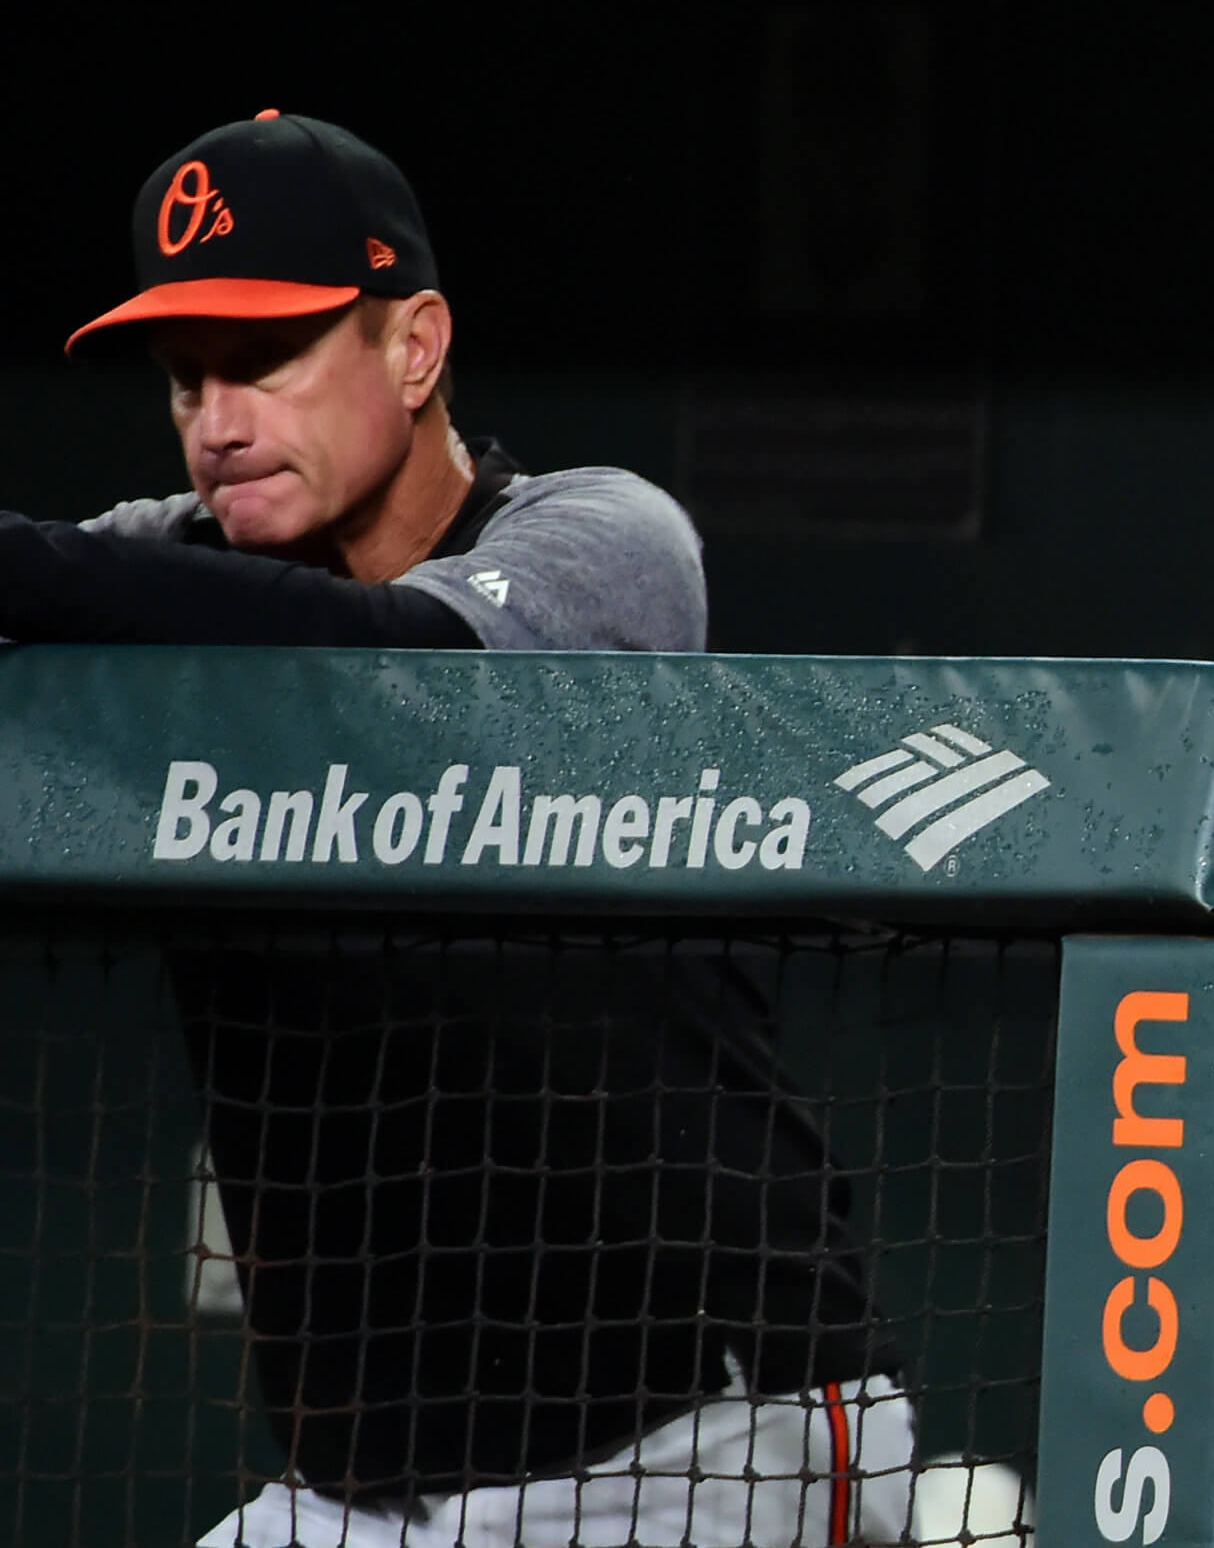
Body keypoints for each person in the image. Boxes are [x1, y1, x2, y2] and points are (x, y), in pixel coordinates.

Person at [2, 111, 914, 1547]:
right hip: (364, 1485)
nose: (218, 421)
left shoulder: (598, 537)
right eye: (186, 382)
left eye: (268, 359)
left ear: (415, 347)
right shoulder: (158, 571)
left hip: (705, 1437)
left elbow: (395, 667)